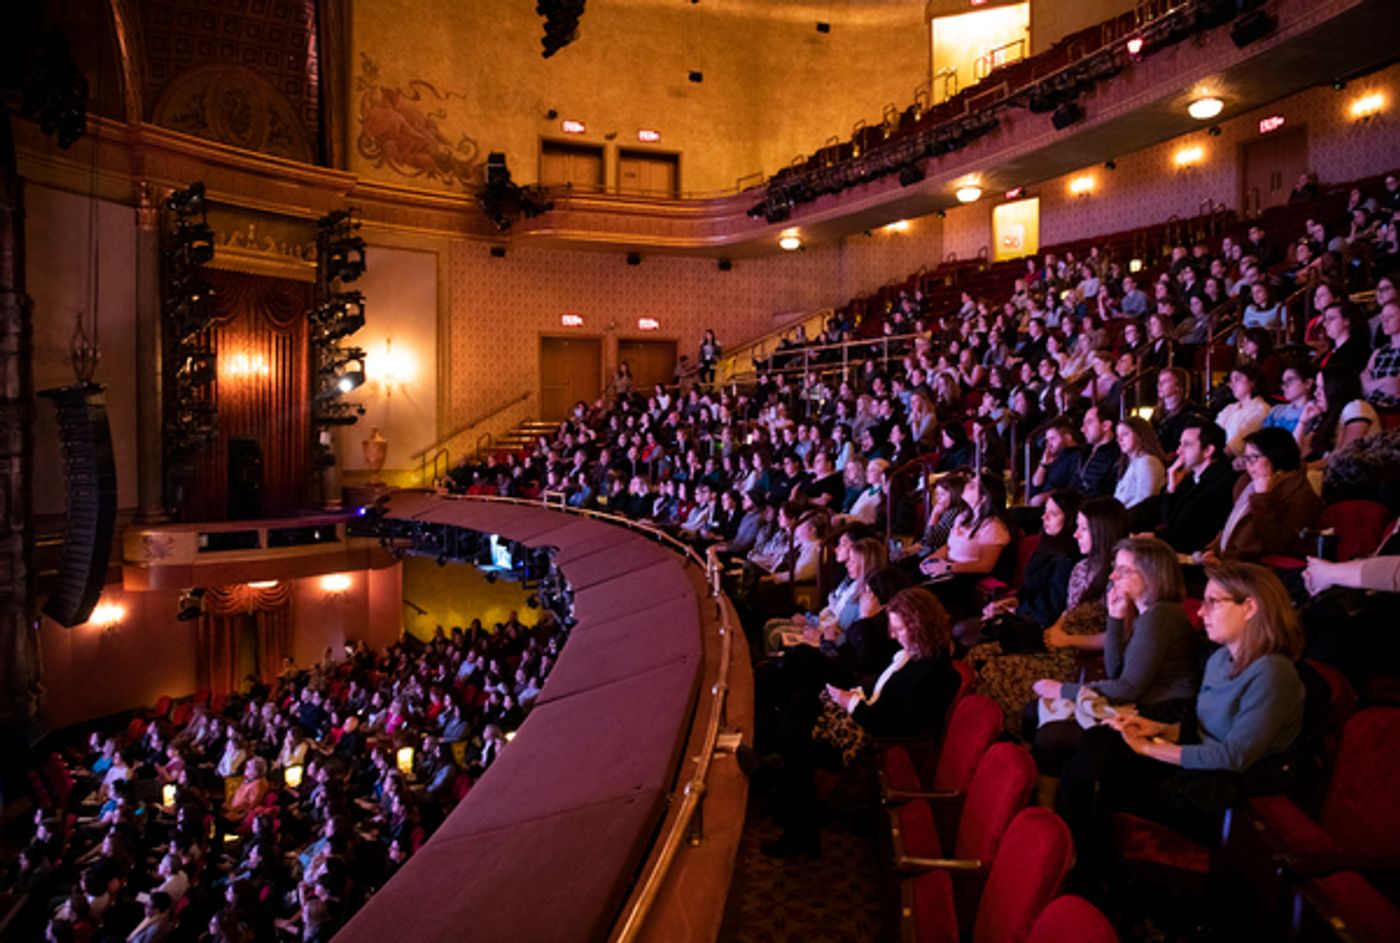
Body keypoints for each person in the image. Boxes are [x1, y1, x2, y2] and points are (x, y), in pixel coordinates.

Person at [1058, 563, 1305, 871]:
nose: (1201, 613)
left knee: (1100, 775)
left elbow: (1234, 756)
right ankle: (1071, 862)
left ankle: (1082, 871)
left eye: (1213, 602)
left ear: (1251, 607)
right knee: (1095, 745)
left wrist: (1149, 747)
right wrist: (1158, 728)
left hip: (1221, 790)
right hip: (1194, 767)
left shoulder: (1274, 672)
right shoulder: (1220, 659)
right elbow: (1204, 729)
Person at [741, 587, 960, 857]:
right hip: (862, 716)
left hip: (869, 739)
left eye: (898, 629)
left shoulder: (937, 673)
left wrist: (850, 702)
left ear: (918, 625)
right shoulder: (912, 656)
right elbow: (881, 694)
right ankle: (781, 782)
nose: (893, 635)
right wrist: (852, 695)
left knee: (798, 740)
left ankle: (796, 823)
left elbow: (898, 724)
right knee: (801, 702)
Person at [1028, 537, 1199, 775]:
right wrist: (1116, 618)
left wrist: (1064, 690)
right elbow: (1115, 671)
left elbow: (1127, 688)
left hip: (1159, 713)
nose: (1112, 577)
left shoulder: (1161, 617)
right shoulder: (1146, 613)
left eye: (1123, 570)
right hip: (1140, 705)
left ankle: (1047, 804)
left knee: (1050, 735)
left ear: (1150, 576)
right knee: (1035, 711)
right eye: (1114, 569)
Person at [1199, 427, 1322, 562]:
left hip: (1255, 574)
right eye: (1246, 458)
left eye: (1254, 458)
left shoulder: (1301, 496)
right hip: (1227, 564)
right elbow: (1233, 526)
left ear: (1276, 456)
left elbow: (1278, 544)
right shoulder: (1247, 482)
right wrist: (1214, 550)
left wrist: (1263, 498)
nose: (1249, 465)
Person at [1159, 418, 1236, 555]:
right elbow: (1166, 519)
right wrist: (1171, 488)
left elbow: (1182, 532)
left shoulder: (1222, 484)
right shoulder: (1188, 477)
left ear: (1208, 450)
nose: (1178, 451)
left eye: (1186, 445)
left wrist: (1154, 539)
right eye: (1180, 444)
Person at [1113, 417, 1167, 521]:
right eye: (1118, 436)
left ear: (1141, 435)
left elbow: (1144, 503)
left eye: (1125, 434)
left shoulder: (1147, 462)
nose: (1120, 440)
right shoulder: (1131, 464)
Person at [1215, 364, 1270, 457]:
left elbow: (1237, 445)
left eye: (1237, 379)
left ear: (1253, 382)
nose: (1232, 385)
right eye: (1231, 380)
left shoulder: (1261, 409)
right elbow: (1213, 432)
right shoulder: (1230, 408)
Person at [1361, 301, 1400, 407]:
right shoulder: (1379, 351)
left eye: (1391, 316)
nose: (1385, 321)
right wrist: (1386, 381)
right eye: (1383, 317)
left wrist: (1370, 385)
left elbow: (1395, 386)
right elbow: (1363, 380)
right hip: (1371, 406)